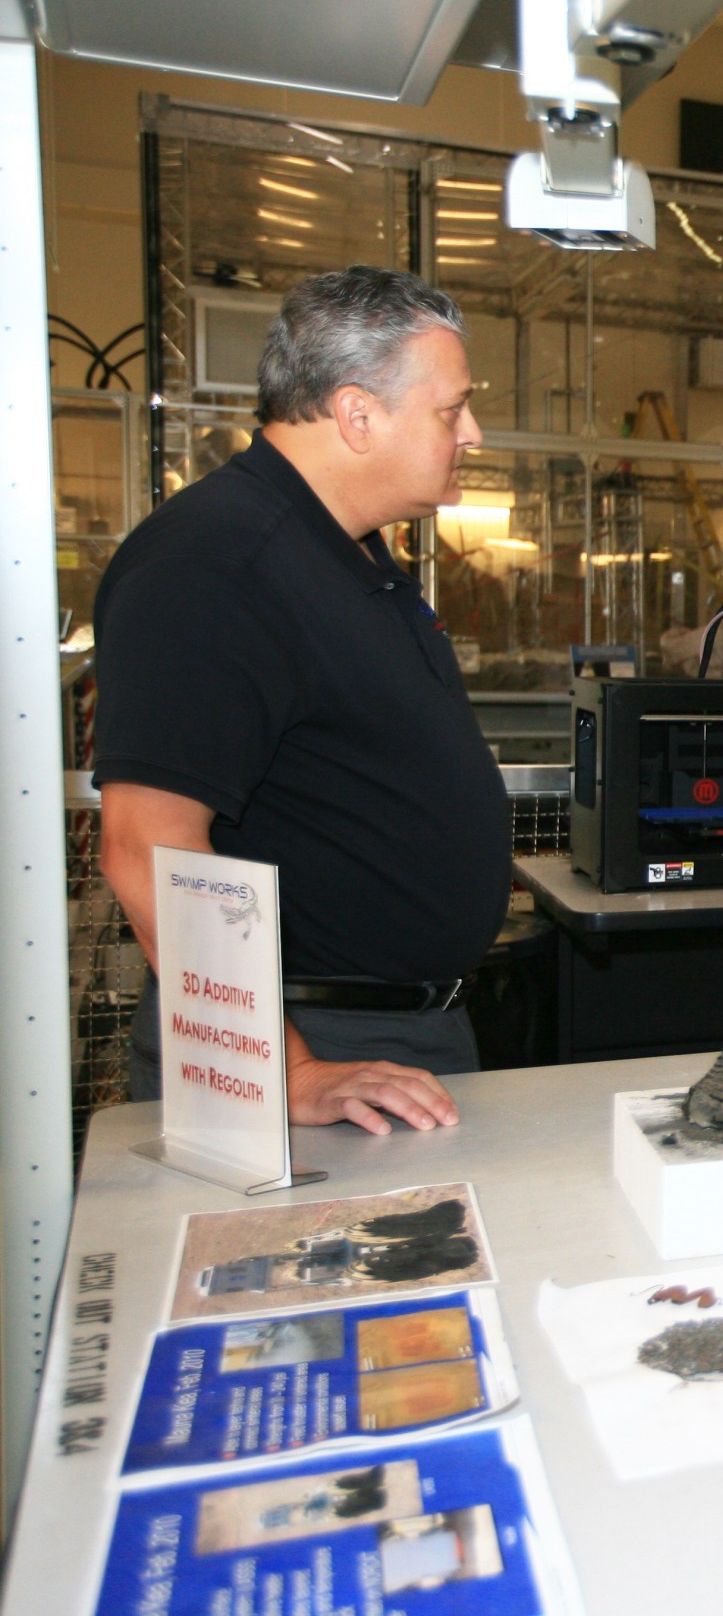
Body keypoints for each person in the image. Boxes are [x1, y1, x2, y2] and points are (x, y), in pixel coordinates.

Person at [95, 266, 511, 1136]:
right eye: (451, 409)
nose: (471, 432)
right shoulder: (215, 563)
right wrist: (284, 1073)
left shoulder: (352, 554)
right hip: (303, 1042)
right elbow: (148, 848)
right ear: (357, 414)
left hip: (394, 1033)